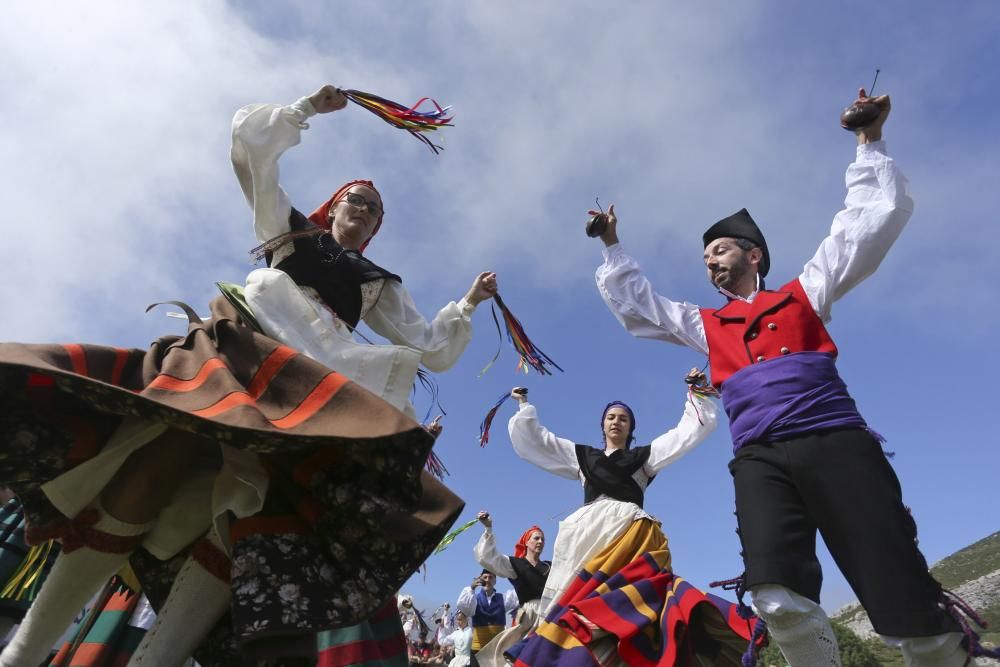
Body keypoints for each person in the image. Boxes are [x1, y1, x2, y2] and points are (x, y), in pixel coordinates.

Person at [0, 82, 482, 667]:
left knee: (249, 516)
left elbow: (430, 347)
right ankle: (22, 654)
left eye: (374, 208)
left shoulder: (377, 281)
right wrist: (306, 108)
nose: (363, 209)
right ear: (334, 207)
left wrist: (468, 305)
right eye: (355, 199)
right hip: (247, 349)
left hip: (307, 388)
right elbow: (252, 153)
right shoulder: (290, 230)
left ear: (377, 226)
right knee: (160, 454)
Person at [592, 88, 994, 666]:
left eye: (721, 249)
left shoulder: (805, 292)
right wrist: (611, 243)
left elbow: (864, 227)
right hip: (760, 456)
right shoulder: (703, 324)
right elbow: (640, 306)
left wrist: (868, 140)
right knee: (774, 597)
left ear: (755, 255)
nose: (709, 260)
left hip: (836, 440)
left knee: (895, 581)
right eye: (705, 255)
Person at [504, 378, 755, 665]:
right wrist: (524, 407)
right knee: (574, 598)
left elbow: (683, 435)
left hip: (629, 534)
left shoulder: (644, 458)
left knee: (621, 603)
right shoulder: (583, 456)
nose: (616, 422)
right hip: (585, 535)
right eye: (611, 417)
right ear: (602, 425)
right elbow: (540, 441)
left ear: (630, 428)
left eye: (623, 419)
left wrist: (696, 396)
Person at [469, 511, 549, 667]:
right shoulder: (515, 564)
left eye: (543, 539)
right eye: (536, 538)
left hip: (549, 612)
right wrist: (488, 528)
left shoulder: (549, 566)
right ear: (526, 542)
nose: (540, 541)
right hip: (530, 617)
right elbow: (487, 557)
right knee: (523, 657)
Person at [456, 570, 518, 654]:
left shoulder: (503, 598)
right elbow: (463, 608)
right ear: (480, 580)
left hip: (497, 649)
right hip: (478, 649)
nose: (487, 580)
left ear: (495, 581)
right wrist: (471, 588)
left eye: (490, 577)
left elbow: (520, 594)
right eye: (485, 577)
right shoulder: (474, 599)